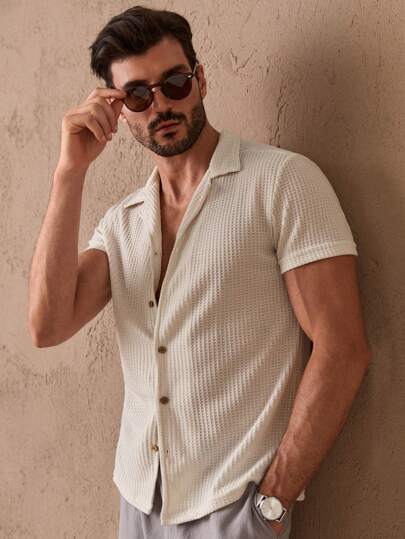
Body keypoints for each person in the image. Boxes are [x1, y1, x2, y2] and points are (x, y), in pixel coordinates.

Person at [28, 5, 372, 539]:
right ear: (120, 110)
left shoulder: (281, 182)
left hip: (236, 505)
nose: (161, 104)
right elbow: (48, 325)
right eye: (138, 95)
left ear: (200, 79)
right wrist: (69, 172)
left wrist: (273, 501)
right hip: (139, 504)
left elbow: (343, 347)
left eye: (175, 83)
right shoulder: (122, 223)